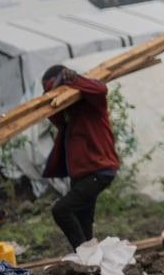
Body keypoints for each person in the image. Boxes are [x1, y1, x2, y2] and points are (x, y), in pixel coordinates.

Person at [41, 66, 119, 252]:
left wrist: (74, 79)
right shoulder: (69, 116)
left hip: (99, 170)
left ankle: (84, 254)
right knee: (83, 218)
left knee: (61, 210)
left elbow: (101, 89)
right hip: (81, 175)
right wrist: (52, 90)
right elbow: (52, 113)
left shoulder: (92, 104)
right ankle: (92, 262)